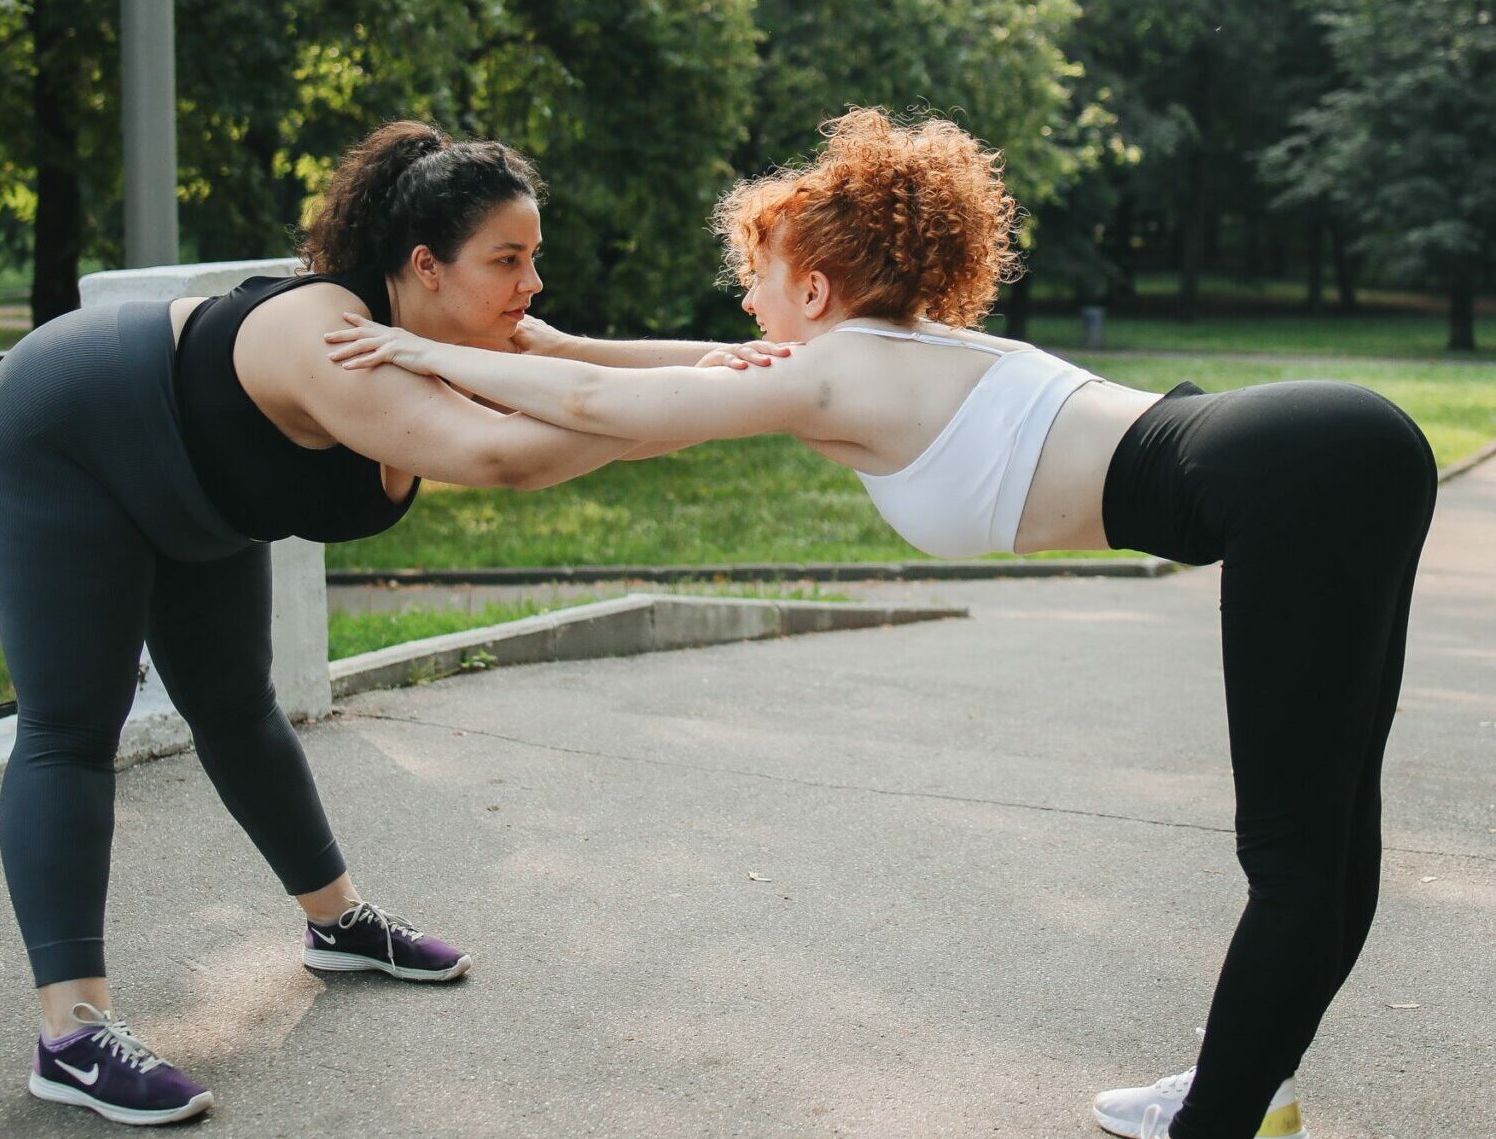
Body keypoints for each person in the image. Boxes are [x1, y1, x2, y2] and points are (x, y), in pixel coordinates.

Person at [326, 108, 1438, 1139]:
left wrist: (425, 352)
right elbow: (678, 367)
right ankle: (1251, 1076)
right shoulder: (885, 349)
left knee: (1294, 858)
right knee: (1334, 841)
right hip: (1329, 451)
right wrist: (542, 345)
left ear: (811, 290)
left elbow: (611, 411)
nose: (746, 305)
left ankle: (1225, 1108)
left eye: (756, 280)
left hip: (1297, 479)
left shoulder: (842, 371)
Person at [0, 119, 773, 1127]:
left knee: (234, 707)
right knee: (71, 727)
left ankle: (336, 921)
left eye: (534, 258)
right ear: (426, 266)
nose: (532, 285)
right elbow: (507, 457)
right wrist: (711, 412)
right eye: (509, 261)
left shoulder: (462, 327)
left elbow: (592, 365)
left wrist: (763, 366)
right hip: (70, 428)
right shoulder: (334, 340)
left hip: (203, 488)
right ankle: (72, 1032)